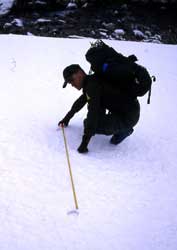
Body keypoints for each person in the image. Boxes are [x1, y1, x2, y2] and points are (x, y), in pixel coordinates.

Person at [58, 64, 140, 153]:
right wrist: (67, 118)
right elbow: (80, 102)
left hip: (128, 116)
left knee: (90, 124)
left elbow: (93, 113)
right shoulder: (91, 81)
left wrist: (84, 144)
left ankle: (125, 130)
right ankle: (119, 124)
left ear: (80, 74)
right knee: (94, 114)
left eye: (71, 80)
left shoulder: (92, 86)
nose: (72, 84)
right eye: (69, 82)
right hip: (127, 109)